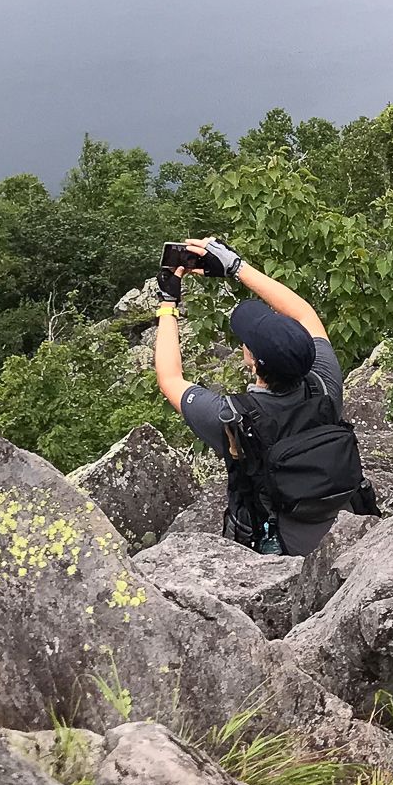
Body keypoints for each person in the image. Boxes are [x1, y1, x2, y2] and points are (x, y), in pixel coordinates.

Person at [152, 236, 349, 555]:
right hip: (344, 521)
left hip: (279, 548)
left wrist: (167, 302)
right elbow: (305, 314)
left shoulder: (232, 419)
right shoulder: (324, 380)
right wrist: (236, 266)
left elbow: (170, 378)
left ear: (252, 360)